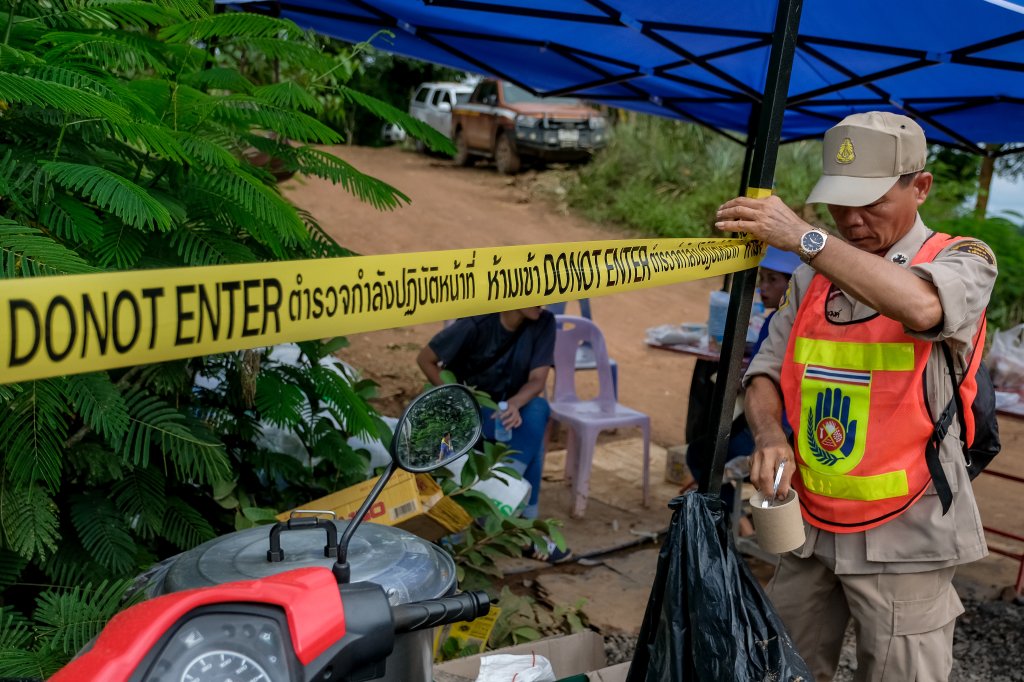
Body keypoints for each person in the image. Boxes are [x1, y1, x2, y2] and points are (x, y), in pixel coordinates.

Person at [715, 112, 997, 681]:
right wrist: (770, 435)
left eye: (870, 202)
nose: (851, 219)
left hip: (908, 529)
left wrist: (802, 237)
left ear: (920, 187)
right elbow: (765, 373)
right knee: (783, 668)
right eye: (839, 204)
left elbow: (922, 308)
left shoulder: (964, 257)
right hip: (810, 525)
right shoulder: (810, 277)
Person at [683, 246, 800, 528]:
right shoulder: (783, 321)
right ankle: (739, 518)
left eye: (773, 280)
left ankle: (741, 526)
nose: (763, 287)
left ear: (795, 285)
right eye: (762, 278)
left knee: (702, 454)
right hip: (785, 429)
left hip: (778, 429)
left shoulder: (776, 323)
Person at [416, 306, 555, 521]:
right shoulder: (476, 322)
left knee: (538, 408)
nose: (543, 301)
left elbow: (538, 380)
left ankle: (503, 501)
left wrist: (515, 403)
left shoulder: (544, 322)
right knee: (533, 440)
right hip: (470, 411)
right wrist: (461, 400)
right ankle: (518, 516)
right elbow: (425, 359)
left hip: (506, 411)